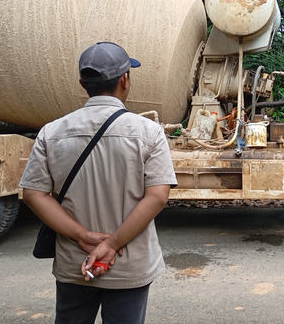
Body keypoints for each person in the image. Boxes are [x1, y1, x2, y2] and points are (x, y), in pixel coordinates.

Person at [20, 41, 177, 324]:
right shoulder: (149, 132)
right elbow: (157, 197)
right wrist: (113, 243)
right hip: (130, 265)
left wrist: (82, 236)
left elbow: (34, 194)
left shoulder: (51, 133)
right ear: (125, 80)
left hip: (74, 263)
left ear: (83, 83)